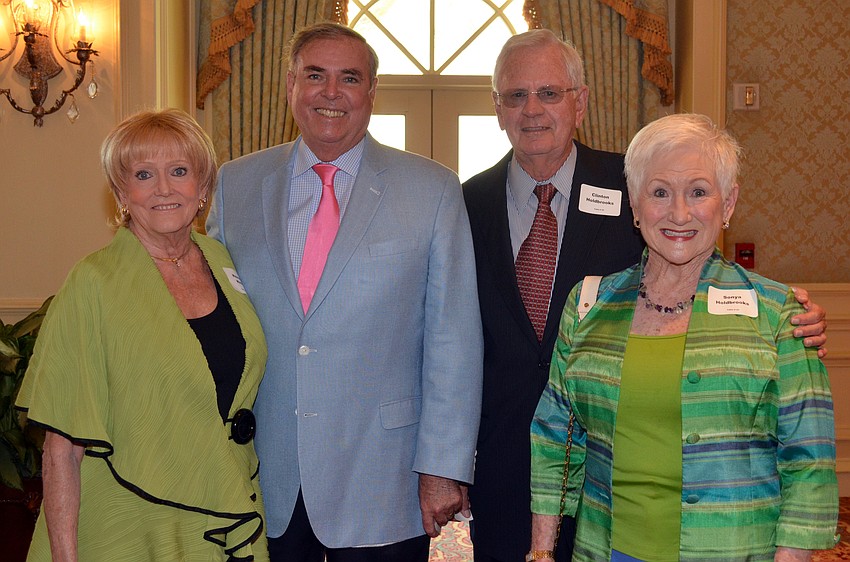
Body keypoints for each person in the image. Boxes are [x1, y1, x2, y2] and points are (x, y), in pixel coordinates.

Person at [462, 29, 829, 562]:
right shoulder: (465, 202)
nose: (533, 109)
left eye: (550, 92)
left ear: (581, 100)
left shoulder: (640, 174)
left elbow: (702, 263)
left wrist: (792, 315)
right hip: (513, 463)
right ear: (497, 107)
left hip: (671, 499)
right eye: (516, 95)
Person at [205, 22, 483, 562]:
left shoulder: (432, 189)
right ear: (290, 85)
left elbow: (455, 341)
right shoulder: (234, 184)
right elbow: (217, 323)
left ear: (371, 92)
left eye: (349, 78)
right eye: (315, 75)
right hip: (266, 473)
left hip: (386, 475)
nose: (331, 93)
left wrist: (443, 468)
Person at [529, 113, 838, 562]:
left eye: (698, 192)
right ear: (634, 206)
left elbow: (808, 459)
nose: (678, 213)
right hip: (606, 550)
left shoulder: (779, 314)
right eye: (659, 193)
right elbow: (556, 435)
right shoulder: (589, 306)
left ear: (728, 204)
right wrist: (541, 550)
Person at [16, 109, 269, 561]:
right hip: (123, 521)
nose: (164, 189)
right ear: (121, 193)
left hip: (218, 508)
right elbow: (61, 451)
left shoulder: (221, 258)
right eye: (143, 174)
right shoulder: (94, 282)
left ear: (203, 186)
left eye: (179, 171)